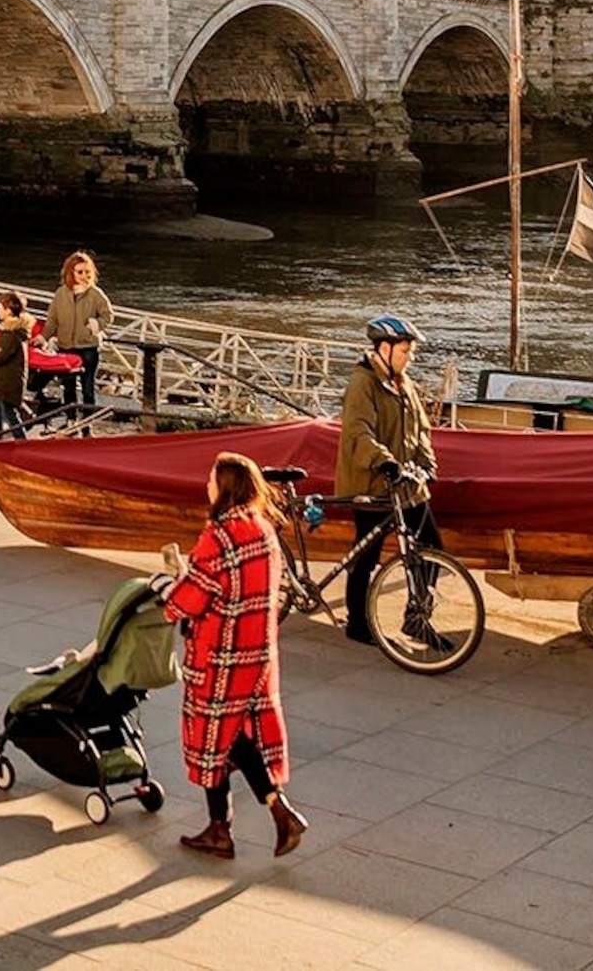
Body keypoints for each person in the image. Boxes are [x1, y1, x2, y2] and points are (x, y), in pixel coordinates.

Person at [166, 451, 309, 860]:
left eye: (211, 479)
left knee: (214, 736)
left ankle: (224, 829)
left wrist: (174, 588)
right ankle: (272, 813)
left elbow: (189, 599)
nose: (206, 485)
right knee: (238, 736)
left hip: (220, 653)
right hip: (257, 650)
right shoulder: (263, 530)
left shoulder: (220, 536)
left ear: (225, 488)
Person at [335, 313, 440, 646]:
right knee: (366, 557)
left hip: (407, 485)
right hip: (373, 483)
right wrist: (386, 462)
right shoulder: (362, 383)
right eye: (404, 351)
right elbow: (358, 432)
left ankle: (418, 618)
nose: (409, 358)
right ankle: (357, 623)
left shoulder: (403, 382)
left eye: (410, 352)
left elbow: (421, 429)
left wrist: (427, 463)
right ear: (384, 347)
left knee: (433, 549)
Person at [46, 251, 113, 411]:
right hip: (66, 346)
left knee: (88, 389)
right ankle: (71, 421)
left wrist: (96, 324)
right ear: (71, 272)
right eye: (80, 272)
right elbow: (52, 320)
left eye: (88, 272)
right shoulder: (61, 293)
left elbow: (108, 316)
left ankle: (87, 425)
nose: (85, 276)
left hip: (88, 347)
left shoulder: (96, 294)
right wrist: (43, 337)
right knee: (68, 388)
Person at [0, 287, 39, 438]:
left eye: (0, 307)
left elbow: (1, 355)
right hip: (5, 381)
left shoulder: (10, 334)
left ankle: (19, 439)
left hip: (6, 381)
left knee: (8, 413)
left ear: (9, 310)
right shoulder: (16, 332)